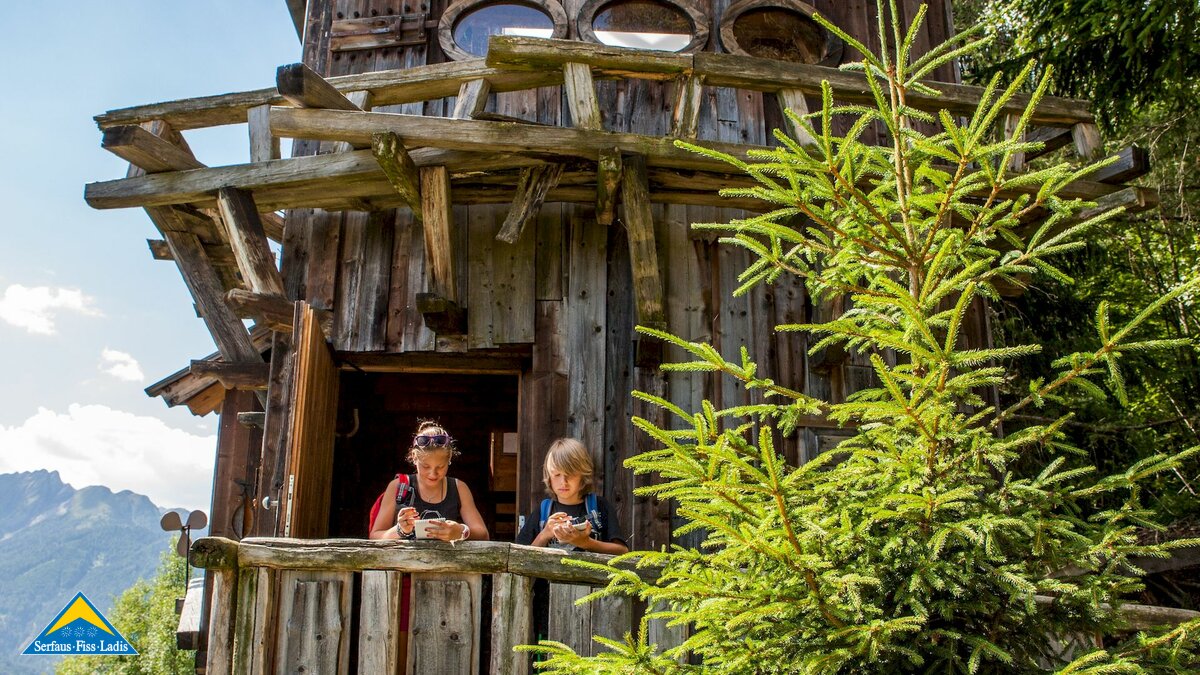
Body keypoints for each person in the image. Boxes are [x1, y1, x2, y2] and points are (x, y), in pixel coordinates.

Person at [369, 420, 489, 543]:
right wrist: (400, 530)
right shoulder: (398, 486)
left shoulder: (459, 488)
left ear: (449, 458)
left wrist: (461, 531)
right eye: (426, 466)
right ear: (415, 458)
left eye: (440, 467)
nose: (433, 473)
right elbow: (374, 536)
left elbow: (483, 534)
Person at [516, 438, 628, 554]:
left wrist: (586, 543)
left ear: (583, 476)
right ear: (549, 477)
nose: (563, 482)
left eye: (570, 474)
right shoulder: (543, 511)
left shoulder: (600, 506)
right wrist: (545, 534)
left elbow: (622, 551)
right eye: (557, 474)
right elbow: (519, 555)